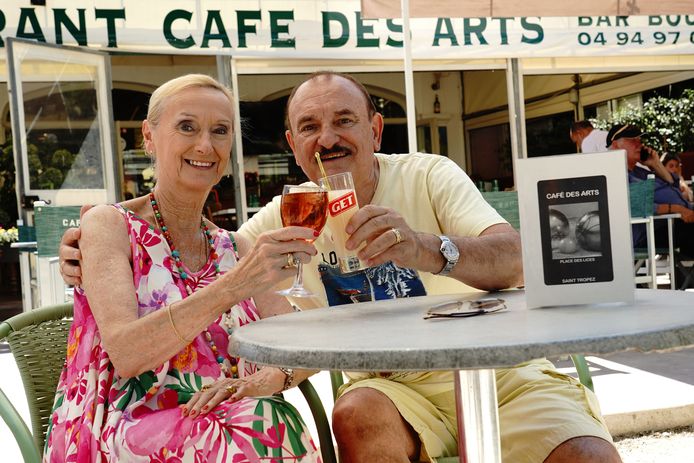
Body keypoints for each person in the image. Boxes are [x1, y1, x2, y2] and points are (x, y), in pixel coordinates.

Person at [60, 72, 621, 463]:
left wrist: (427, 248)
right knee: (352, 417)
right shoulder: (293, 210)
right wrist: (91, 245)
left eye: (344, 121)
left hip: (502, 377)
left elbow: (519, 258)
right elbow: (219, 268)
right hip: (389, 390)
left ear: (374, 130)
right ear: (293, 144)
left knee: (588, 455)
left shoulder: (428, 174)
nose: (327, 139)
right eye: (309, 127)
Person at [45, 74, 321, 462]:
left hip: (230, 422)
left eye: (220, 131)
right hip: (122, 425)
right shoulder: (109, 225)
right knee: (265, 426)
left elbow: (307, 346)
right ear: (149, 136)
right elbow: (127, 353)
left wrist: (266, 380)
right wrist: (232, 287)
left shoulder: (235, 247)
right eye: (187, 127)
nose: (205, 145)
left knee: (268, 416)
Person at [607, 124, 694, 284]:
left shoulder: (641, 172)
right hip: (651, 230)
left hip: (673, 223)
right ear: (615, 145)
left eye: (639, 140)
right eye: (632, 140)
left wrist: (656, 164)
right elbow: (638, 205)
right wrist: (677, 209)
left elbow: (673, 188)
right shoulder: (617, 173)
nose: (639, 144)